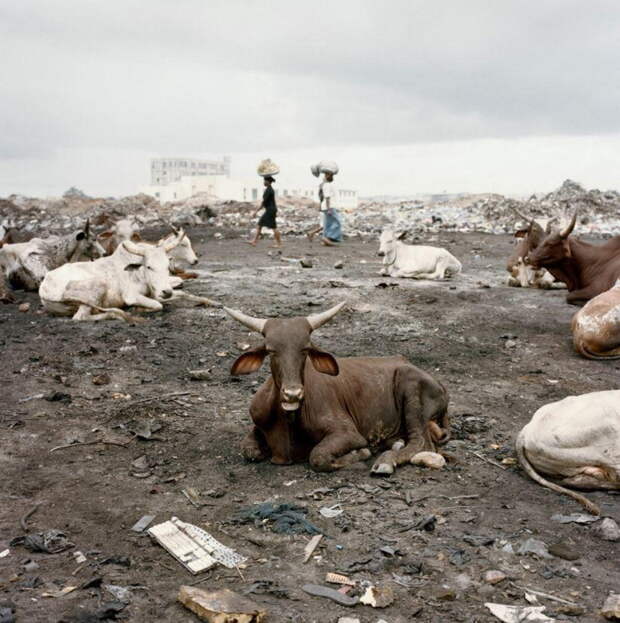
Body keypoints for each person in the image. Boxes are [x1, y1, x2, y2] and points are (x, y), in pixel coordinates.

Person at [248, 176, 282, 247]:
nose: (263, 182)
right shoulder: (269, 189)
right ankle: (254, 241)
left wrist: (256, 211)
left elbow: (263, 203)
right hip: (271, 210)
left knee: (272, 227)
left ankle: (279, 244)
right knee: (261, 225)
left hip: (270, 210)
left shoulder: (269, 190)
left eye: (265, 181)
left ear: (268, 182)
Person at [319, 171, 342, 245]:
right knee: (337, 222)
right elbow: (327, 197)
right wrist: (329, 209)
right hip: (329, 206)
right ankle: (328, 238)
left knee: (328, 224)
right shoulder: (327, 185)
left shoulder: (326, 185)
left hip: (327, 206)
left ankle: (325, 239)